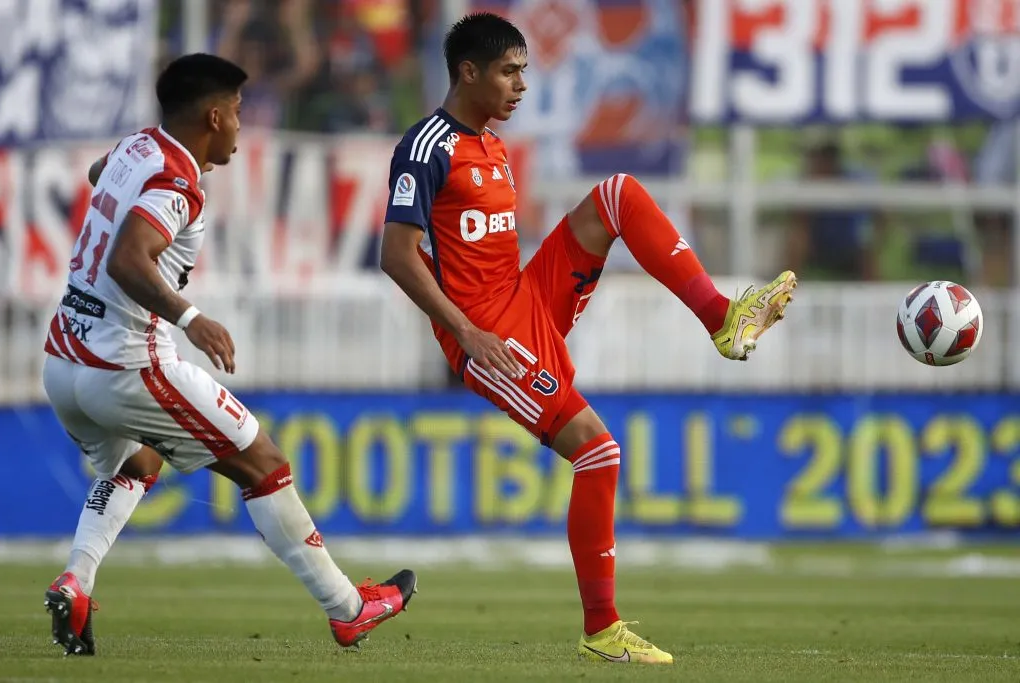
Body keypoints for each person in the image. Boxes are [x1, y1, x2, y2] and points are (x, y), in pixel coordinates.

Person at [379, 13, 795, 664]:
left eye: (524, 71)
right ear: (468, 72)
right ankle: (602, 629)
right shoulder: (427, 146)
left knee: (617, 195)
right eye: (509, 72)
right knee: (598, 453)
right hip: (487, 333)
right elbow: (396, 255)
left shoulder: (492, 145)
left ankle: (721, 317)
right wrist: (464, 330)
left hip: (523, 296)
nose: (522, 85)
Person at [41, 53, 415, 657]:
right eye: (238, 112)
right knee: (263, 463)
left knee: (137, 462)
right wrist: (192, 319)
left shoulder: (137, 147)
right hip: (127, 366)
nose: (244, 124)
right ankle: (349, 609)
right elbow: (128, 258)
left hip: (64, 363)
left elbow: (97, 171)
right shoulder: (176, 183)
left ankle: (76, 582)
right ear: (214, 117)